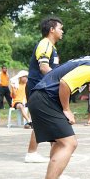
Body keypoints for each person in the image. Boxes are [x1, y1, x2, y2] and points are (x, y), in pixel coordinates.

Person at [28, 33, 90, 179]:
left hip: (41, 97)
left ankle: (57, 176)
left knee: (58, 142)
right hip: (45, 99)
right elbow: (65, 83)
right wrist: (67, 109)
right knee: (69, 143)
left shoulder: (87, 61)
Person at [25, 16, 63, 163]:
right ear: (52, 30)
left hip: (44, 89)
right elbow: (44, 67)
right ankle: (31, 153)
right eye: (60, 28)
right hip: (38, 89)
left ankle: (58, 148)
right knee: (41, 121)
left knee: (53, 118)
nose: (62, 31)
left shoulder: (51, 46)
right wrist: (60, 81)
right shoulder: (45, 44)